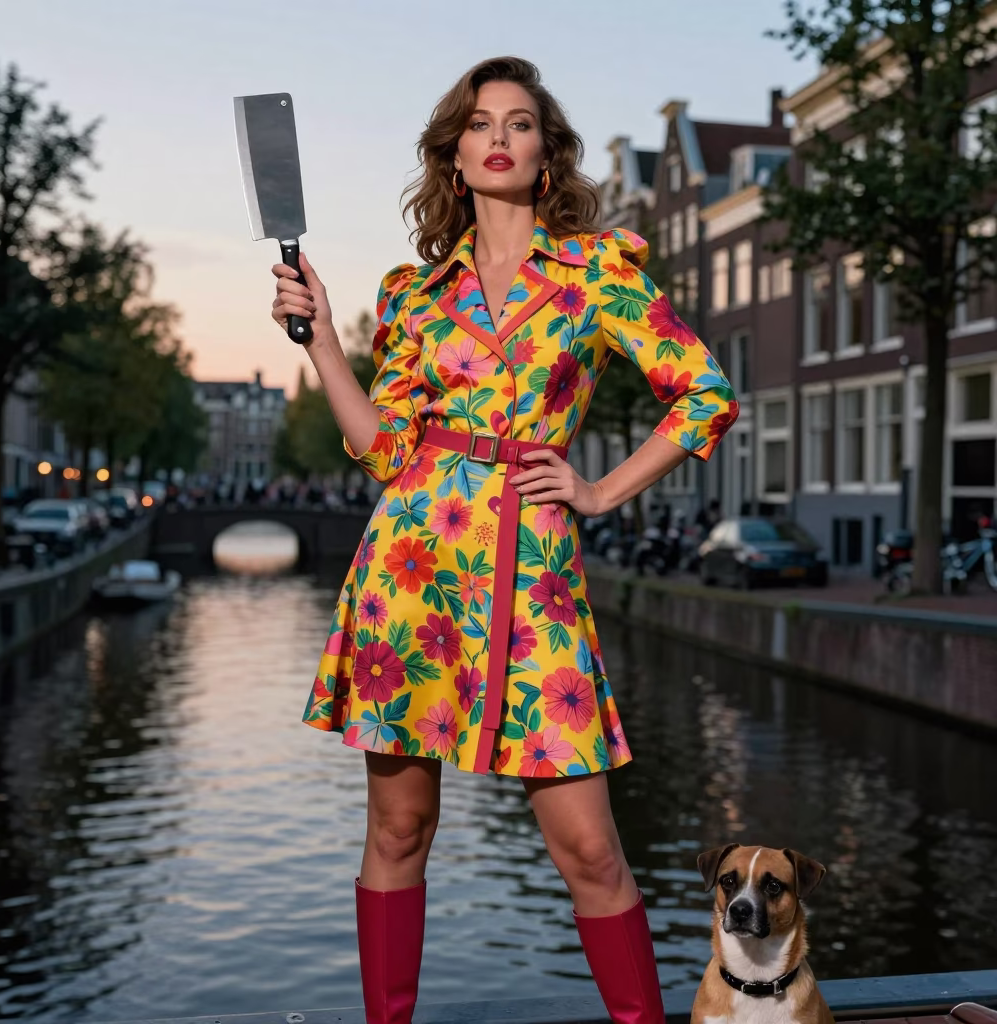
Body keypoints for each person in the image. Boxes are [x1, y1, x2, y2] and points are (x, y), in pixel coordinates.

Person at [271, 56, 738, 1024]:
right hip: (411, 563)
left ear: (544, 154)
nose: (498, 137)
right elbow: (380, 447)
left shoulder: (595, 275)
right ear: (452, 158)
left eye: (520, 123)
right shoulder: (411, 294)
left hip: (531, 572)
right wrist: (321, 339)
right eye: (478, 124)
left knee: (592, 849)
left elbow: (707, 394)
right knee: (398, 828)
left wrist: (600, 488)